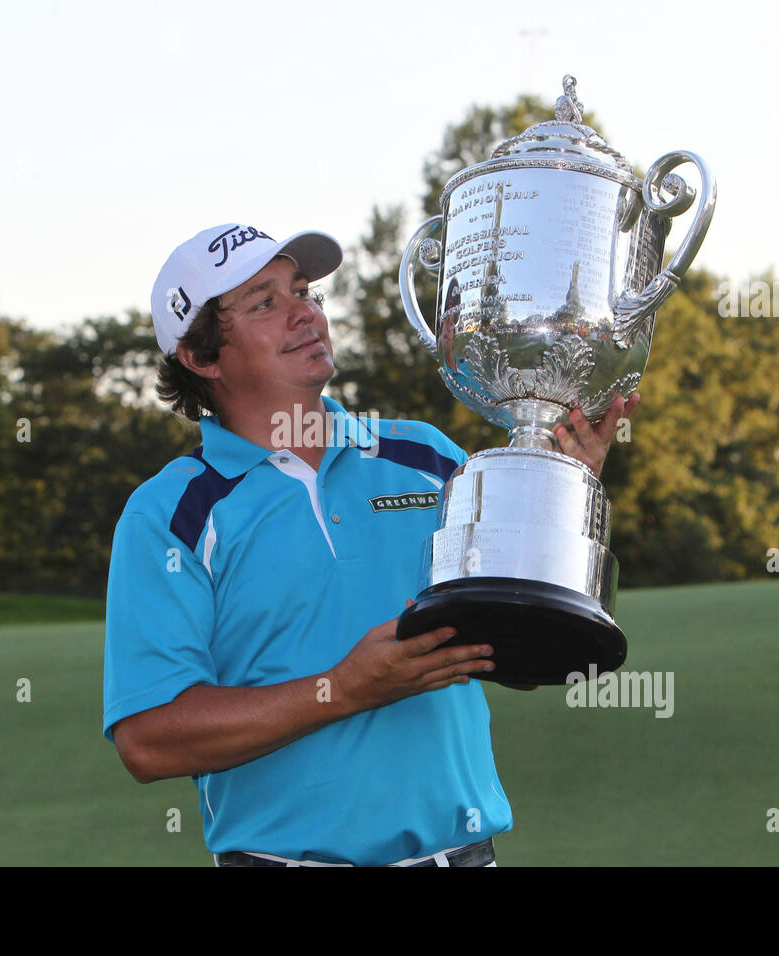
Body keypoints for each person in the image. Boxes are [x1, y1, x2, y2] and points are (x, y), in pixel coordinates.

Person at [102, 222, 637, 867]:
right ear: (202, 357)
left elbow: (522, 631)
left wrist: (561, 486)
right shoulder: (169, 514)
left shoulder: (427, 456)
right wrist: (343, 689)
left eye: (304, 291)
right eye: (265, 302)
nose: (305, 313)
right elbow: (149, 740)